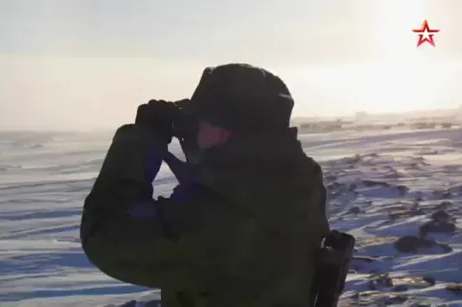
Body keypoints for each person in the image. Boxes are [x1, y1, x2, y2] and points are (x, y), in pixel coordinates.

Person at [80, 63, 330, 307]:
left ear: (222, 133)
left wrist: (140, 140)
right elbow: (229, 187)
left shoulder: (218, 225)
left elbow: (105, 233)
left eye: (200, 125)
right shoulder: (296, 184)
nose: (193, 133)